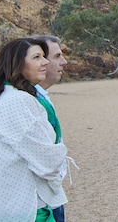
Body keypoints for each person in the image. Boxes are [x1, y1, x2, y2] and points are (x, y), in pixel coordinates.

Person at [0, 38, 67, 222]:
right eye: (37, 57)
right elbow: (47, 160)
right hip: (27, 210)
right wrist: (60, 155)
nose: (45, 62)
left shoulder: (0, 99)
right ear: (18, 64)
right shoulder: (18, 101)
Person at [32, 35, 69, 222]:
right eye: (57, 56)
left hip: (51, 195)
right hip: (41, 204)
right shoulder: (30, 102)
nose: (64, 62)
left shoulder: (41, 97)